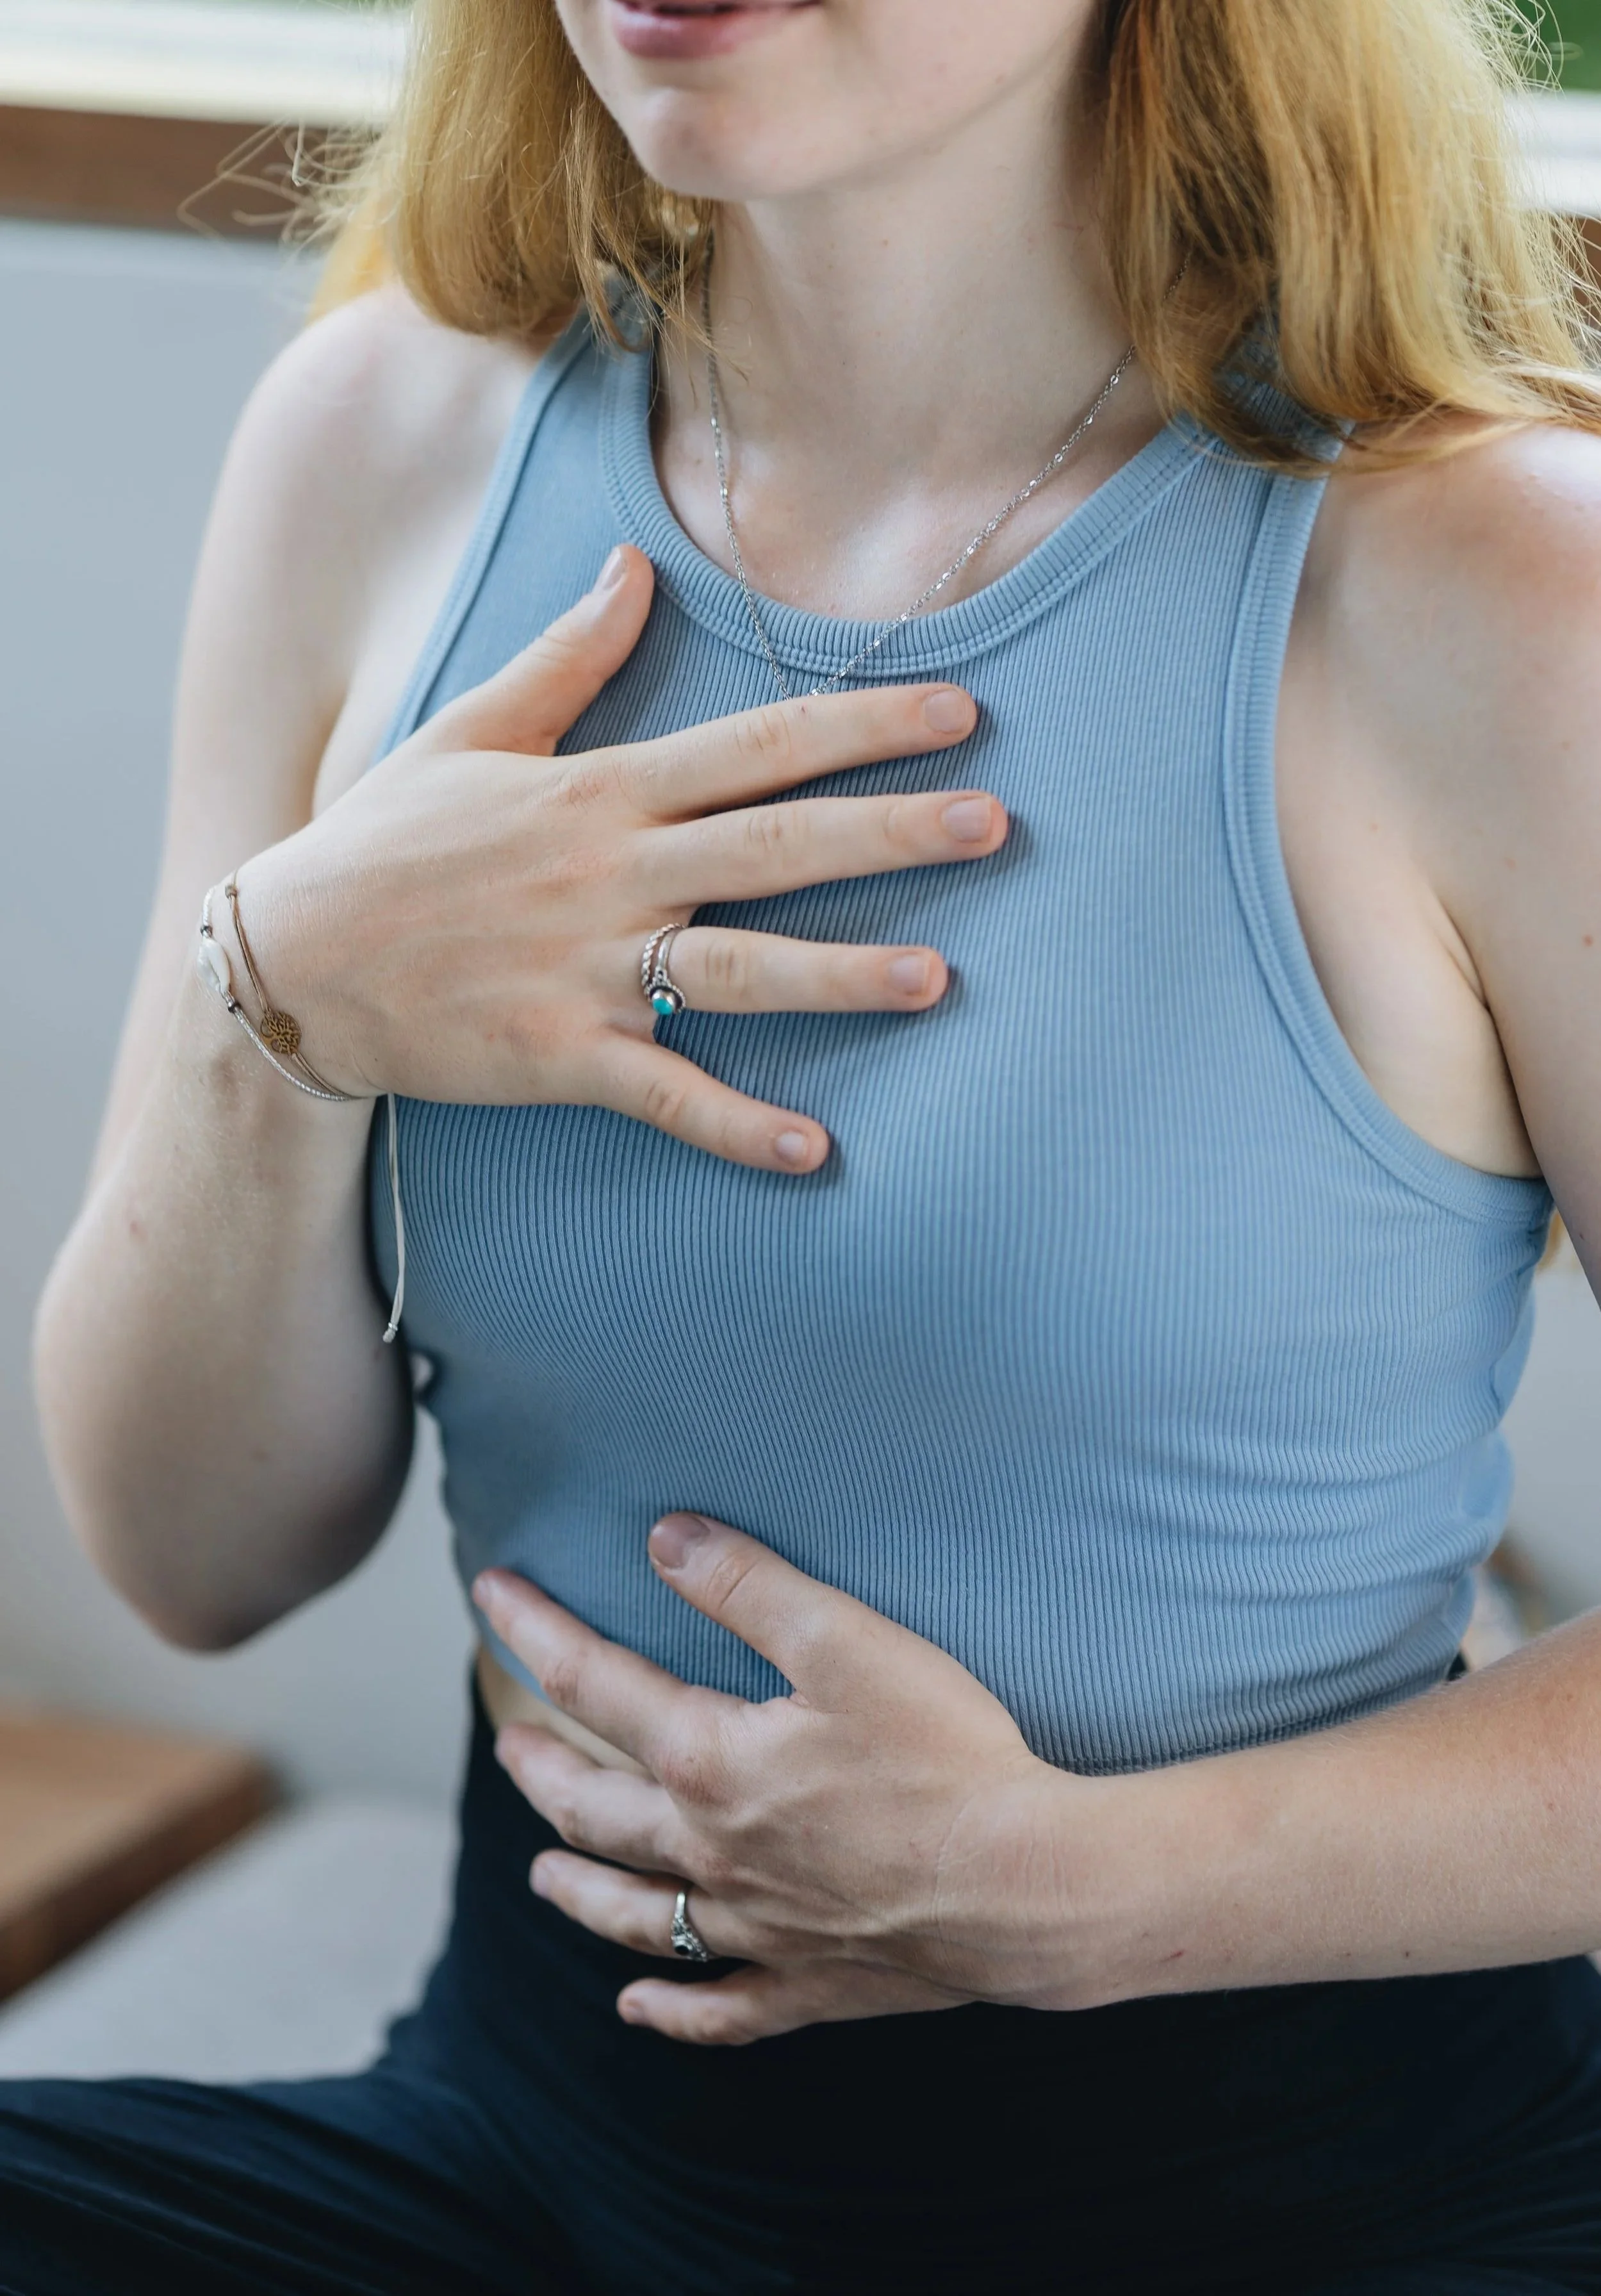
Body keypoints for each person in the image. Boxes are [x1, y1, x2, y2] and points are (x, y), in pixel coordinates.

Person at [12, 0, 1601, 2287]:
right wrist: (275, 999)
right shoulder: (380, 444)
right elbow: (196, 1553)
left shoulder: (1489, 583)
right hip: (545, 2149)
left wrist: (1094, 1895)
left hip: (1327, 2201)